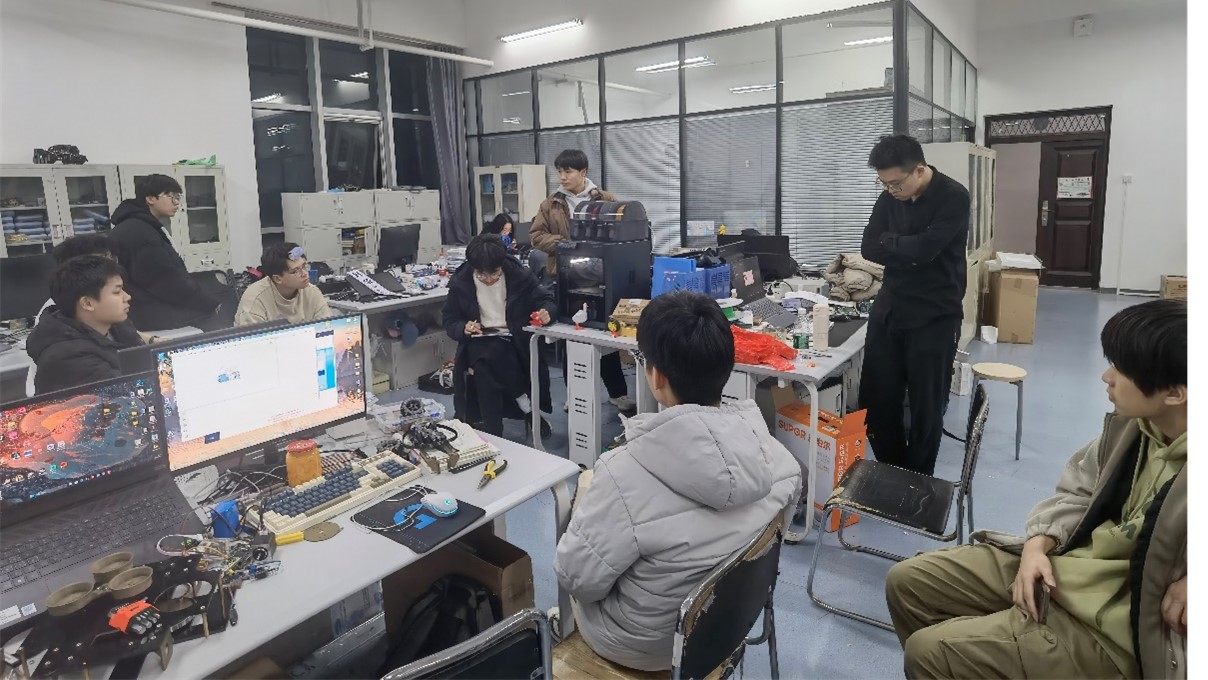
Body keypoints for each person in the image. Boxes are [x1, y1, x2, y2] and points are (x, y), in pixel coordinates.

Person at [886, 299, 1186, 679]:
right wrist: (1036, 545)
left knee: (929, 654)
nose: (1106, 377)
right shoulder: (1136, 427)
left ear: (1174, 393)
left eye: (1122, 369)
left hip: (1112, 629)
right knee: (908, 582)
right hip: (1069, 568)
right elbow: (1078, 492)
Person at [554, 290, 802, 671]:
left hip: (642, 646)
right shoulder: (779, 459)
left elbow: (576, 579)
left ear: (656, 376)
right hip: (730, 624)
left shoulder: (621, 475)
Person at [858, 134, 970, 475]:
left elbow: (926, 250)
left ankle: (918, 480)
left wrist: (896, 244)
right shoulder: (888, 198)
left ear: (919, 169)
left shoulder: (953, 196)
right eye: (884, 183)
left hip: (935, 313)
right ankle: (893, 472)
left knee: (926, 406)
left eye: (896, 183)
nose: (891, 190)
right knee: (876, 400)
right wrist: (909, 248)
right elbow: (868, 248)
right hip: (891, 307)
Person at [529, 149, 634, 413]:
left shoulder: (606, 199)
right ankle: (574, 394)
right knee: (572, 337)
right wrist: (566, 244)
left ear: (583, 172)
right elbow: (536, 235)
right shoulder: (551, 204)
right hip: (566, 278)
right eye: (560, 172)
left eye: (568, 171)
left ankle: (618, 393)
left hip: (602, 277)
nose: (562, 177)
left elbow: (622, 231)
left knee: (606, 336)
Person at [441, 234, 555, 439]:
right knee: (488, 354)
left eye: (494, 273)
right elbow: (449, 319)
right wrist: (463, 327)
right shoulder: (461, 281)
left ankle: (494, 431)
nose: (488, 279)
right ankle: (527, 408)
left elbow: (547, 299)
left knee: (486, 366)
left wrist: (547, 312)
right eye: (481, 274)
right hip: (477, 340)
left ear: (501, 265)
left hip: (514, 339)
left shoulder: (519, 276)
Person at [109, 174, 234, 332]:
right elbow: (166, 281)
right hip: (149, 312)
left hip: (143, 305)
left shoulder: (138, 226)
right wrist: (208, 303)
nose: (176, 203)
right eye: (170, 196)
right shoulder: (140, 232)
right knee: (213, 321)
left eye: (177, 197)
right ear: (150, 199)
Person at [26, 255, 145, 394]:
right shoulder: (69, 357)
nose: (127, 297)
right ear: (87, 303)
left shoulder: (116, 326)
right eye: (117, 292)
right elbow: (128, 391)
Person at [235, 243, 333, 326]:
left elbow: (327, 327)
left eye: (304, 266)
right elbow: (253, 340)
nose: (304, 274)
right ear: (278, 278)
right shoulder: (255, 300)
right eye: (295, 271)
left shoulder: (312, 292)